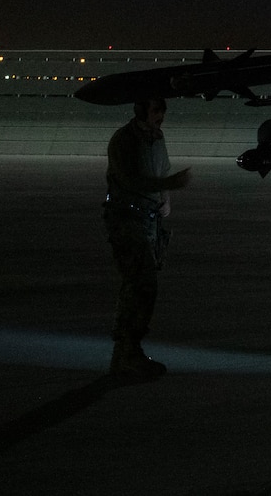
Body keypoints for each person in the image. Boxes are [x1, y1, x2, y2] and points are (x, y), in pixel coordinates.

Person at [104, 97, 192, 381]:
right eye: (156, 110)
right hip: (127, 219)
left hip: (148, 218)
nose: (161, 116)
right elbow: (130, 180)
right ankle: (127, 352)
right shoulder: (124, 140)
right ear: (141, 111)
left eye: (163, 111)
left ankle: (126, 352)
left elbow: (161, 170)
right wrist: (168, 186)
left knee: (139, 285)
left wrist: (165, 199)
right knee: (141, 284)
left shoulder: (156, 137)